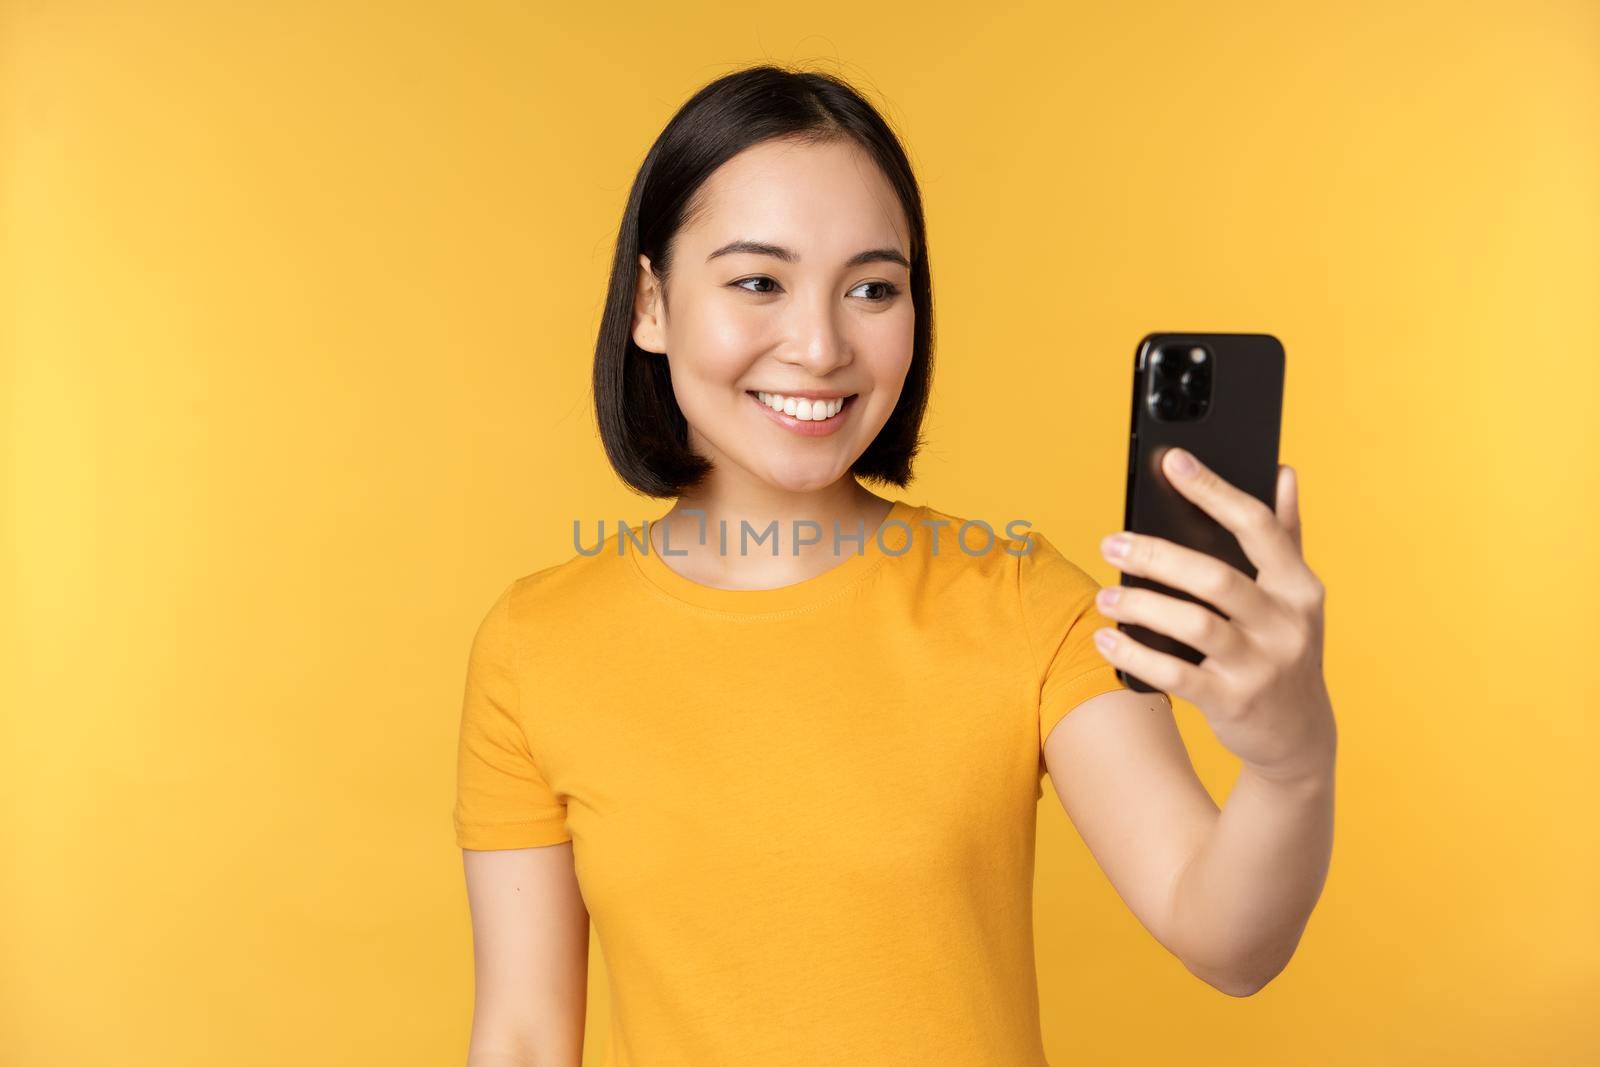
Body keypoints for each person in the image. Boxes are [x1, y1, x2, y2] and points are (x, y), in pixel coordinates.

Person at [453, 64, 1337, 1067]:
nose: (821, 344)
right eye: (758, 282)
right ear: (650, 304)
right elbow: (524, 1035)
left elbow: (1225, 937)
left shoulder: (1020, 601)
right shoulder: (537, 644)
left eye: (872, 288)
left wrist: (1289, 760)